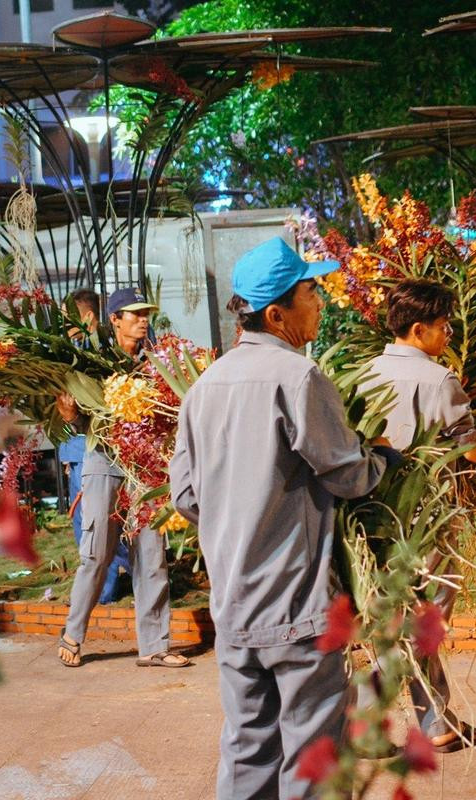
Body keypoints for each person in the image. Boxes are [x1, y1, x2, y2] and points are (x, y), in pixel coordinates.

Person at [169, 237, 391, 800]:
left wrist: (239, 517)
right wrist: (383, 459)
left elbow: (185, 496)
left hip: (234, 604)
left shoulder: (202, 388)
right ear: (276, 313)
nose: (321, 303)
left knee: (247, 754)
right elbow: (347, 475)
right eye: (311, 293)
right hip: (296, 606)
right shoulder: (299, 378)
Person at [356, 278, 476, 753]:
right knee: (424, 622)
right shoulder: (439, 379)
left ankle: (435, 719)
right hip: (429, 519)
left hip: (372, 517)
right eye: (443, 326)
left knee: (400, 617)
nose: (450, 333)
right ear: (418, 329)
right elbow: (473, 451)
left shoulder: (364, 373)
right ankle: (360, 712)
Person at [54, 288, 187, 670]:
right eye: (135, 314)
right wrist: (70, 417)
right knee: (97, 553)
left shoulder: (156, 361)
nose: (143, 320)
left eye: (146, 314)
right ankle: (73, 634)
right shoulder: (94, 361)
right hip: (104, 464)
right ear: (114, 319)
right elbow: (84, 418)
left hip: (145, 469)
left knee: (152, 555)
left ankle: (154, 646)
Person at [58, 289, 128, 605]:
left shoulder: (86, 353)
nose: (61, 323)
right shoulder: (90, 349)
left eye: (65, 316)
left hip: (89, 451)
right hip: (80, 449)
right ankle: (109, 586)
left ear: (87, 317)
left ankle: (104, 592)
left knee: (92, 526)